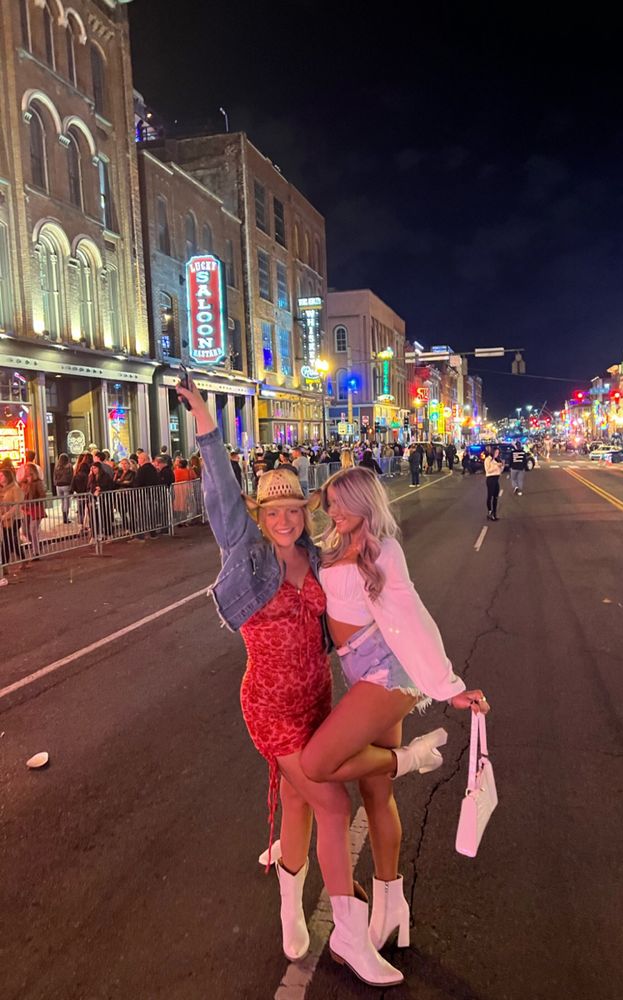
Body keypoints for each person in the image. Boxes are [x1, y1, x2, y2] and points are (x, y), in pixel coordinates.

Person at [176, 376, 404, 988]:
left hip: (317, 701)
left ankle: (289, 904)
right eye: (271, 511)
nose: (281, 520)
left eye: (291, 510)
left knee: (302, 800)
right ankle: (351, 939)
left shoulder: (321, 557)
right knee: (331, 801)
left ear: (304, 513)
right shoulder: (247, 556)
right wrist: (207, 425)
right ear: (261, 515)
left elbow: (368, 595)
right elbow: (223, 499)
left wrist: (406, 660)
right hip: (271, 707)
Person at [300, 466, 489, 951]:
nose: (333, 510)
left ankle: (413, 759)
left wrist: (449, 687)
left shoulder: (383, 550)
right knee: (376, 795)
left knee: (317, 763)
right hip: (362, 672)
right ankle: (391, 906)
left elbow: (410, 615)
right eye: (330, 502)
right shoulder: (333, 545)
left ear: (365, 503)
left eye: (342, 502)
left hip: (388, 675)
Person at [21, 463, 45, 559]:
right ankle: (36, 545)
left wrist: (36, 500)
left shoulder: (37, 482)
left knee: (33, 529)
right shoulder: (24, 482)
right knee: (25, 531)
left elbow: (42, 494)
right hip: (26, 508)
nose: (25, 471)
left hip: (35, 508)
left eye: (27, 469)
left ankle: (36, 552)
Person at [1, 466, 24, 566]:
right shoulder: (2, 490)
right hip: (4, 518)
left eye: (2, 475)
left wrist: (7, 515)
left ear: (7, 477)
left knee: (8, 540)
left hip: (15, 518)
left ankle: (5, 564)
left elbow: (17, 504)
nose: (0, 477)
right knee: (10, 540)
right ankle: (21, 558)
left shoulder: (15, 488)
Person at [484, 446, 504, 521]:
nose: (497, 454)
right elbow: (488, 470)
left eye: (498, 453)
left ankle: (494, 513)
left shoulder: (496, 460)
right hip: (490, 479)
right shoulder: (488, 459)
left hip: (496, 479)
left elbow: (499, 471)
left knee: (495, 497)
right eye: (496, 452)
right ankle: (490, 511)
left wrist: (502, 466)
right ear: (492, 452)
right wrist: (496, 466)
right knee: (490, 496)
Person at [53, 453, 73, 524]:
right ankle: (65, 517)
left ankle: (64, 515)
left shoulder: (57, 466)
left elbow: (54, 476)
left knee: (62, 502)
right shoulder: (69, 466)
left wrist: (55, 483)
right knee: (66, 502)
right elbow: (71, 476)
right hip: (66, 485)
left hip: (58, 486)